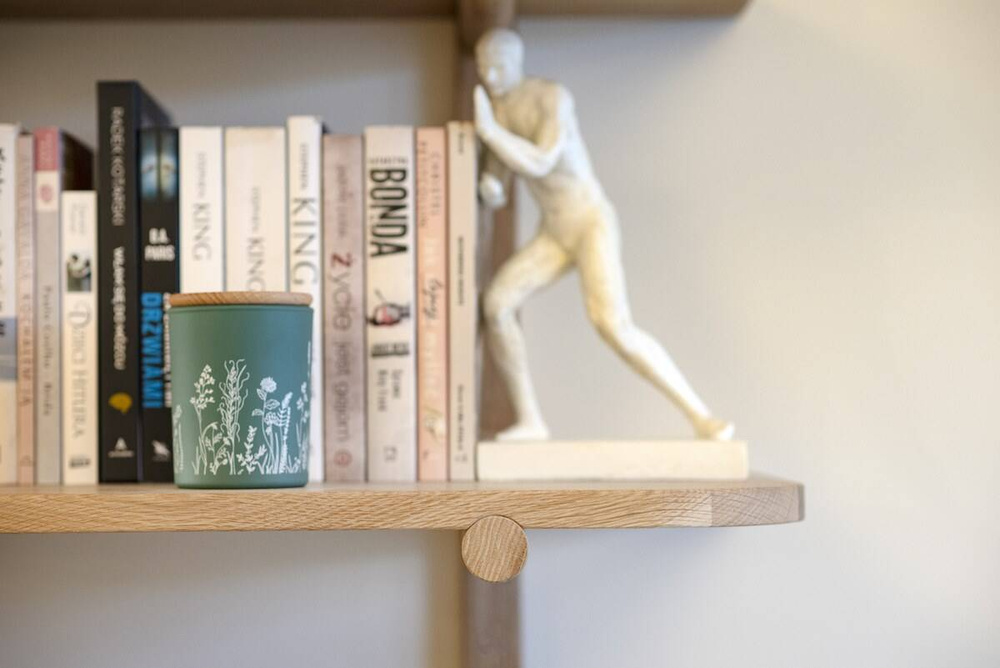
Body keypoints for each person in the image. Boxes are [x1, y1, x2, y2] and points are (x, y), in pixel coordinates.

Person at [474, 28, 734, 441]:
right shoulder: (498, 111)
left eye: (498, 67)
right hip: (554, 231)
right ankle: (531, 420)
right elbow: (497, 177)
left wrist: (490, 133)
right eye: (483, 67)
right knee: (497, 304)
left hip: (589, 221)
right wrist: (489, 184)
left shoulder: (550, 98)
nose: (490, 77)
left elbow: (541, 160)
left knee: (613, 326)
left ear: (516, 63)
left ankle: (701, 417)